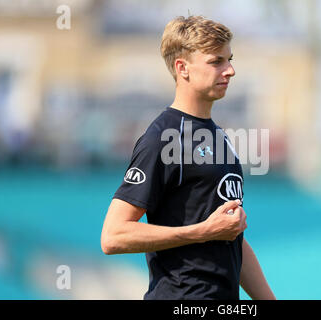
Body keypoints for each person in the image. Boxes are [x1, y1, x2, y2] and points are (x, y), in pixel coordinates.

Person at [101, 15, 275, 300]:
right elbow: (113, 236)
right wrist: (202, 231)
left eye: (230, 59)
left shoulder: (220, 138)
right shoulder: (162, 137)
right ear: (183, 68)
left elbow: (232, 238)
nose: (230, 70)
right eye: (216, 61)